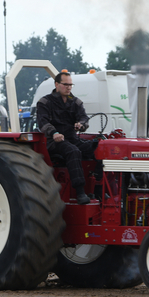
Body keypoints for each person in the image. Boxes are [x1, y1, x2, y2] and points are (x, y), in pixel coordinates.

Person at [37, 72, 95, 205]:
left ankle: (96, 188)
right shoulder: (45, 102)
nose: (69, 87)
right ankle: (80, 192)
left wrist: (81, 124)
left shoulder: (76, 102)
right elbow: (43, 123)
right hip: (53, 141)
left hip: (71, 138)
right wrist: (54, 133)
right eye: (65, 84)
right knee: (73, 151)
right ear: (57, 84)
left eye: (70, 85)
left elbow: (84, 118)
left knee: (96, 148)